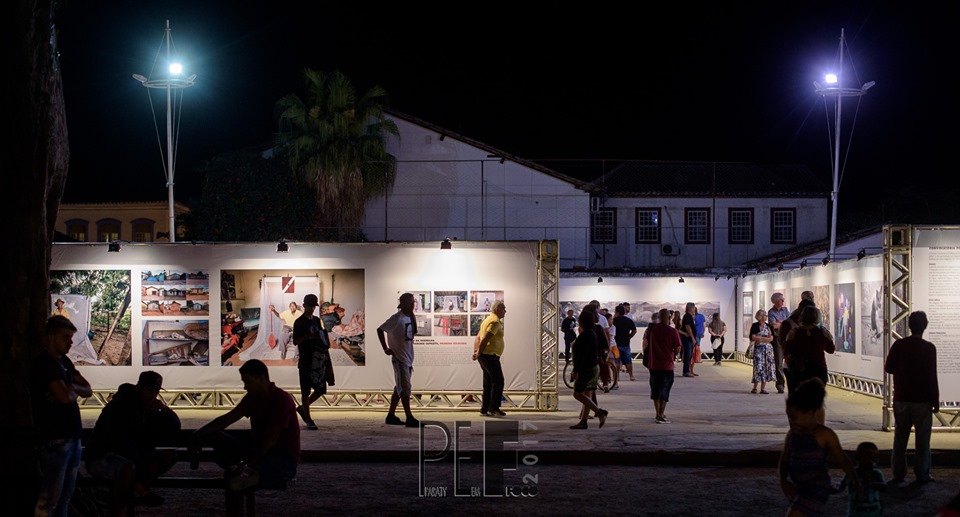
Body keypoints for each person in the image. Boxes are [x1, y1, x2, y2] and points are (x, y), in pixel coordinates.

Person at [191, 360, 300, 489]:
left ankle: (247, 475)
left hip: (282, 457)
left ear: (261, 379)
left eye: (248, 382)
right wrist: (200, 433)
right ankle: (247, 475)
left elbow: (271, 439)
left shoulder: (282, 399)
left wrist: (250, 464)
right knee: (216, 435)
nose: (245, 387)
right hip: (260, 452)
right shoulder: (252, 398)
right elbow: (227, 419)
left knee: (267, 470)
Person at [85, 371, 180, 513]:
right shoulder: (120, 406)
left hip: (130, 456)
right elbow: (118, 442)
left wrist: (165, 410)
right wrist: (140, 462)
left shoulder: (148, 407)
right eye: (149, 390)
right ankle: (130, 498)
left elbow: (175, 427)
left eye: (155, 391)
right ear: (139, 387)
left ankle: (138, 487)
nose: (153, 395)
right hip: (103, 455)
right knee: (127, 468)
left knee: (169, 456)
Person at [31, 315, 92, 517]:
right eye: (66, 337)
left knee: (65, 496)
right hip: (55, 438)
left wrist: (70, 386)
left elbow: (87, 389)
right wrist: (71, 390)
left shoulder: (64, 361)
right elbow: (65, 397)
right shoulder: (44, 364)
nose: (70, 342)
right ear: (51, 337)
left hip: (72, 437)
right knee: (50, 498)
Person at [779, 378, 861, 516]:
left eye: (794, 417)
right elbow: (784, 460)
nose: (791, 421)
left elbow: (843, 460)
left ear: (810, 413)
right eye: (789, 417)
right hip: (799, 487)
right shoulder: (792, 434)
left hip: (817, 486)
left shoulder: (824, 434)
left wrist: (856, 481)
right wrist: (783, 480)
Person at [884, 311, 939, 485]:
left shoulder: (899, 345)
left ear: (909, 325)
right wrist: (935, 399)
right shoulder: (929, 348)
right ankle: (922, 473)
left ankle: (898, 473)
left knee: (900, 438)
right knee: (923, 440)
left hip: (901, 398)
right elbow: (932, 376)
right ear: (925, 326)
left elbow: (889, 368)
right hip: (922, 400)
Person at [378, 293, 420, 426]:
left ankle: (391, 415)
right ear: (404, 303)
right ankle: (409, 417)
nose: (413, 305)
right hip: (400, 358)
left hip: (407, 357)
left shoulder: (410, 317)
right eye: (411, 302)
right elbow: (380, 329)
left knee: (399, 388)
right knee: (405, 388)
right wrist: (386, 348)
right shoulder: (397, 318)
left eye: (414, 302)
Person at [293, 294, 331, 431]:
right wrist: (308, 337)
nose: (312, 309)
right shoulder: (299, 322)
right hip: (305, 359)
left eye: (314, 306)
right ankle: (308, 419)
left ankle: (303, 408)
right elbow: (295, 341)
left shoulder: (316, 320)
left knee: (320, 389)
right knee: (305, 390)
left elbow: (321, 335)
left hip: (318, 359)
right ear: (304, 306)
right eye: (310, 306)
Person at [569, 309, 608, 429]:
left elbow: (581, 355)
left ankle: (599, 412)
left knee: (578, 394)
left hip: (586, 369)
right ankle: (583, 421)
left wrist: (576, 370)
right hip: (593, 366)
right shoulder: (592, 333)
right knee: (587, 394)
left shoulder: (585, 335)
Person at [782, 306, 835, 392]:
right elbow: (831, 349)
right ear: (816, 317)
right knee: (817, 398)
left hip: (800, 369)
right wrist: (829, 338)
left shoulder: (794, 332)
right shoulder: (821, 332)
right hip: (818, 369)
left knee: (801, 399)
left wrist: (792, 368)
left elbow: (787, 352)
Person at [643, 308, 682, 424]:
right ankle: (661, 414)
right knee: (664, 390)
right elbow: (677, 348)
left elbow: (646, 343)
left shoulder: (653, 330)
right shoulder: (672, 331)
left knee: (655, 389)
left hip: (653, 364)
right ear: (669, 318)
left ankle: (657, 413)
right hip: (666, 365)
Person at [474, 300, 507, 417]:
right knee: (498, 381)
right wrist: (478, 352)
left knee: (488, 383)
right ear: (497, 310)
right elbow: (485, 339)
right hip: (490, 355)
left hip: (486, 355)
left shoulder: (487, 320)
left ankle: (485, 408)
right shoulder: (495, 322)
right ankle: (493, 408)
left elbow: (478, 337)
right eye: (504, 309)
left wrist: (476, 351)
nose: (505, 311)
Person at [835, 441, 885, 517]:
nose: (870, 461)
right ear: (857, 458)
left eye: (872, 458)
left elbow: (884, 487)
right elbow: (841, 486)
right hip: (856, 513)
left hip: (875, 513)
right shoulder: (852, 474)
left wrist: (871, 483)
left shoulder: (877, 474)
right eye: (866, 457)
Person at [768, 293, 791, 393]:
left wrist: (780, 322)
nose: (783, 301)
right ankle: (780, 384)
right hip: (778, 339)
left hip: (788, 339)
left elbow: (790, 323)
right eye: (782, 299)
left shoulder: (785, 310)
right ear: (776, 301)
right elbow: (774, 326)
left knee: (791, 361)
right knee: (779, 363)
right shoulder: (771, 312)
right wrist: (783, 323)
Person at [750, 309, 776, 394]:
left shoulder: (768, 326)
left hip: (768, 350)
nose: (766, 317)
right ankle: (755, 387)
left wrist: (761, 338)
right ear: (760, 316)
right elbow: (752, 337)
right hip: (758, 349)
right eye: (765, 315)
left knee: (766, 367)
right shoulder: (755, 326)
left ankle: (763, 388)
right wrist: (765, 339)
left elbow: (771, 338)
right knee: (758, 367)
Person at [612, 303, 637, 382]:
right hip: (626, 343)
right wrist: (629, 336)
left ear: (617, 312)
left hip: (616, 343)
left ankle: (617, 377)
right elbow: (634, 330)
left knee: (617, 360)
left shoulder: (614, 321)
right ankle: (631, 376)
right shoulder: (628, 320)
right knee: (628, 361)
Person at [680, 302, 697, 377]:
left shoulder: (690, 316)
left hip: (689, 339)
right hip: (687, 339)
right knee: (687, 355)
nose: (694, 309)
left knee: (689, 355)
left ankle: (689, 370)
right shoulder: (687, 316)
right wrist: (692, 337)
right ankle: (686, 371)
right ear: (691, 308)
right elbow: (688, 327)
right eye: (694, 308)